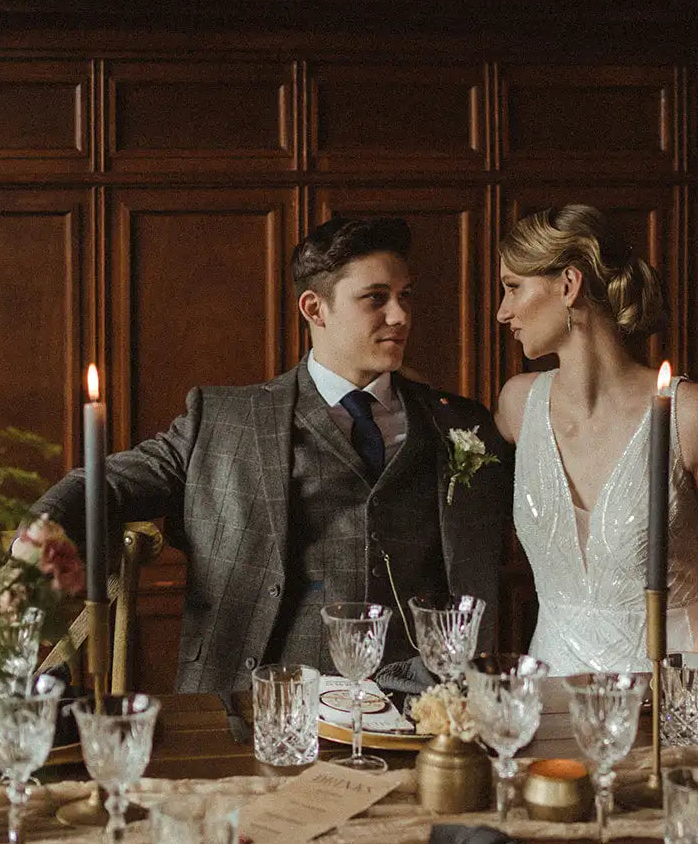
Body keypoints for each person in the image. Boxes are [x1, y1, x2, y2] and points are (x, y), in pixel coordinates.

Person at [34, 217, 511, 693]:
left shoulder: (457, 422)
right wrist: (43, 530)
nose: (400, 315)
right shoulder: (224, 419)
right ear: (314, 307)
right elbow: (110, 481)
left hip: (418, 700)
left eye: (405, 296)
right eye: (376, 298)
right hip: (261, 694)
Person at [494, 204, 698, 675]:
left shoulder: (691, 415)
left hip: (670, 693)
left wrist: (684, 687)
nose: (503, 312)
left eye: (513, 288)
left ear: (568, 284)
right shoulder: (519, 405)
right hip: (547, 699)